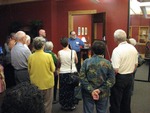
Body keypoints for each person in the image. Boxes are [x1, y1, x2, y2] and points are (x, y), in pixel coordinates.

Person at [79, 40, 115, 113]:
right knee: (102, 111)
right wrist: (100, 90)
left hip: (88, 93)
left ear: (92, 50)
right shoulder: (108, 63)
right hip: (103, 93)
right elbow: (112, 80)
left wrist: (91, 90)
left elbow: (82, 78)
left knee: (88, 111)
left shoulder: (86, 62)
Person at [110, 29, 138, 113]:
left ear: (115, 39)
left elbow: (115, 69)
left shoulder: (117, 50)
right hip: (130, 77)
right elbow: (136, 64)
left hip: (119, 78)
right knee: (126, 100)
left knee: (116, 101)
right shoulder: (133, 48)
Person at [28, 37, 55, 113]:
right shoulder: (48, 56)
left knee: (37, 104)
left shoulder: (31, 56)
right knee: (47, 104)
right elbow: (53, 69)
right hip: (47, 83)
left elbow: (29, 71)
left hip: (35, 84)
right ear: (43, 45)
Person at [58, 37, 78, 111]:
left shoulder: (60, 52)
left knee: (63, 89)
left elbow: (59, 62)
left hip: (63, 72)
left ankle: (64, 105)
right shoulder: (73, 52)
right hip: (72, 72)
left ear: (61, 44)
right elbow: (76, 61)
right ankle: (72, 104)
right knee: (72, 89)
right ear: (68, 43)